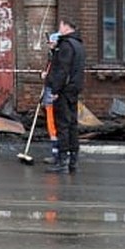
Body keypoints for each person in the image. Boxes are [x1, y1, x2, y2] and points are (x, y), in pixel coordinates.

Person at [44, 19, 86, 174]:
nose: (59, 28)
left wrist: (55, 90)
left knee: (62, 124)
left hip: (63, 90)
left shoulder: (66, 45)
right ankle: (73, 160)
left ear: (67, 26)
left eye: (60, 26)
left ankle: (62, 161)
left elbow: (62, 70)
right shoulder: (78, 45)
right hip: (74, 89)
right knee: (72, 124)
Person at [40, 32, 61, 165]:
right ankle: (56, 152)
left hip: (54, 91)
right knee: (50, 120)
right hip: (49, 89)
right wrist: (44, 74)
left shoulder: (59, 57)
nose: (50, 45)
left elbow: (59, 75)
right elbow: (49, 71)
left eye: (51, 43)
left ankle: (57, 153)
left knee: (54, 121)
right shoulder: (52, 55)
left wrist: (55, 89)